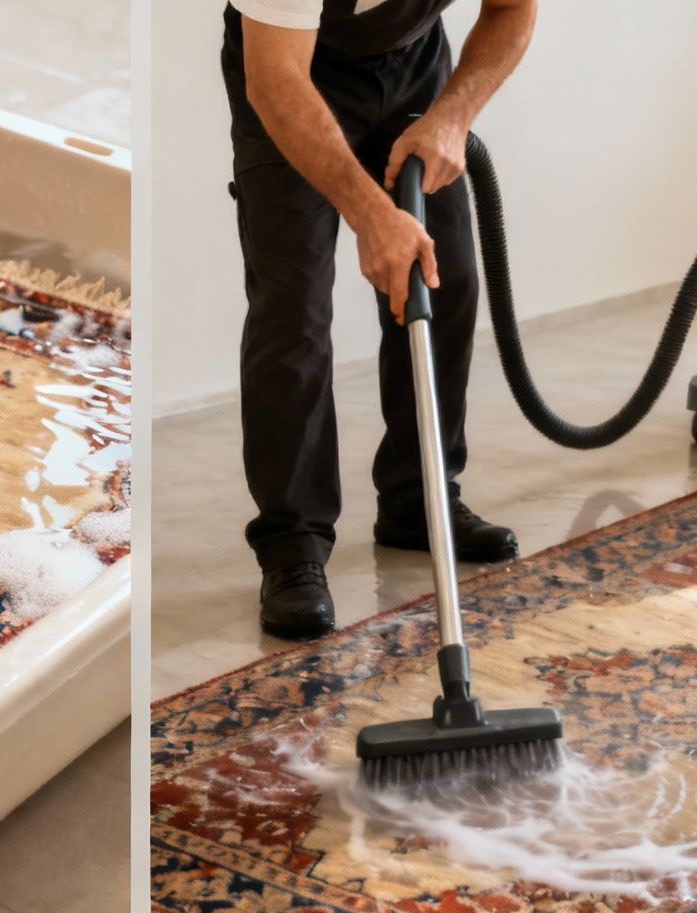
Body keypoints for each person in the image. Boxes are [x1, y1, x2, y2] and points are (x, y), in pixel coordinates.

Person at [222, 0, 535, 638]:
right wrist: (373, 216)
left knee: (446, 283)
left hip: (415, 66)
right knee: (294, 311)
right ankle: (293, 545)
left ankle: (420, 503)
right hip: (294, 77)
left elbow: (512, 10)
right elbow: (276, 78)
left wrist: (451, 118)